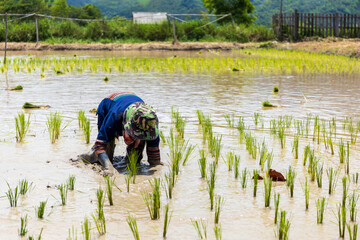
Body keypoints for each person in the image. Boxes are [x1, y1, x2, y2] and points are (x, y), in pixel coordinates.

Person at [80, 92, 161, 170]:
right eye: (133, 135)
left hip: (131, 102)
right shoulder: (114, 117)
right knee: (106, 156)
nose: (134, 141)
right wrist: (108, 167)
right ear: (125, 125)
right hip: (110, 102)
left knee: (135, 159)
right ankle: (90, 156)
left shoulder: (149, 124)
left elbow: (154, 154)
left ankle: (129, 160)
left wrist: (156, 167)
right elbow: (100, 146)